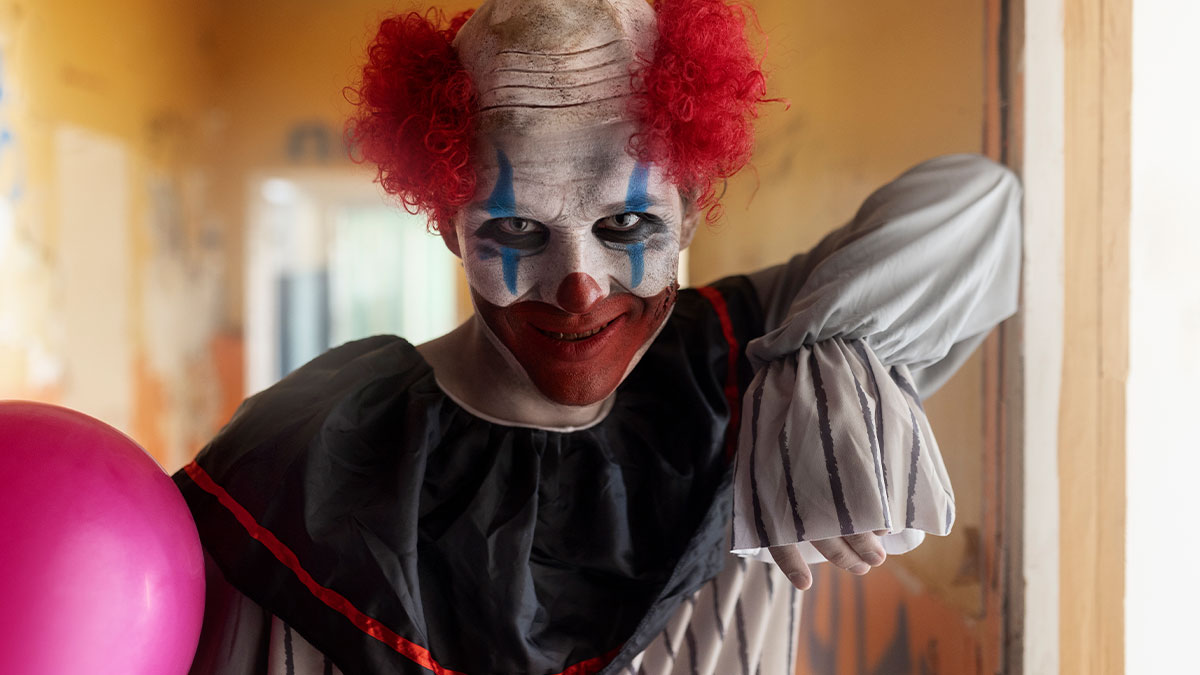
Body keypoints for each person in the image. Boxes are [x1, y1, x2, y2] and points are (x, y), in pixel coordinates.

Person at [175, 0, 1021, 673]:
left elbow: (981, 206)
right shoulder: (316, 443)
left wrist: (813, 353)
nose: (580, 286)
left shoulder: (748, 354)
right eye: (515, 228)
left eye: (625, 221)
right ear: (446, 225)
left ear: (693, 204)